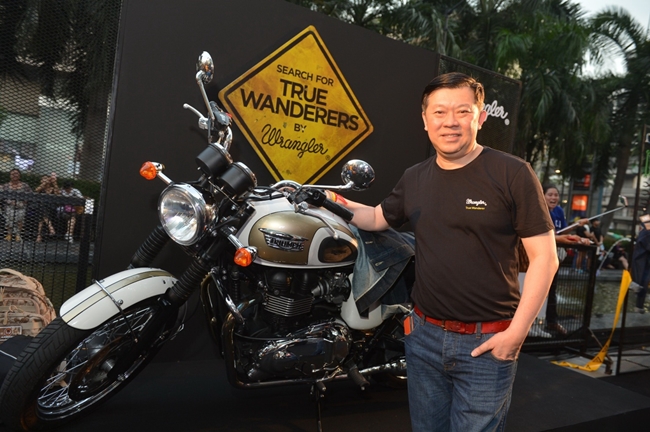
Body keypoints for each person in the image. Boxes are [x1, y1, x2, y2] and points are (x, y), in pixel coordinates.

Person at [338, 73, 559, 431]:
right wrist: (333, 201)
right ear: (425, 120)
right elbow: (377, 218)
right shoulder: (415, 177)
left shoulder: (513, 173)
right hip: (423, 338)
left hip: (488, 343)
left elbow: (545, 259)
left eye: (462, 111)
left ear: (480, 117)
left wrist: (516, 334)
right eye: (439, 112)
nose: (450, 122)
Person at [541, 185, 591, 336]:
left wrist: (576, 226)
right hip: (539, 256)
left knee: (552, 289)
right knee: (539, 288)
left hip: (554, 256)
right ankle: (534, 322)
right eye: (550, 194)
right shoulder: (538, 210)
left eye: (556, 195)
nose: (553, 198)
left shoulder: (559, 211)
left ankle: (551, 321)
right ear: (542, 195)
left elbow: (562, 232)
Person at [0, 168, 33, 242]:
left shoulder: (25, 185)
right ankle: (9, 234)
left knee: (20, 220)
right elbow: (2, 196)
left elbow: (31, 195)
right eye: (12, 174)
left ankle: (18, 235)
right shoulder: (6, 186)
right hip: (9, 206)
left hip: (21, 206)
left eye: (16, 173)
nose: (14, 175)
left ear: (19, 175)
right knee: (9, 220)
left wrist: (25, 201)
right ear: (10, 176)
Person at [629, 215, 650, 314]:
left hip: (642, 255)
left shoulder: (646, 225)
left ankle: (639, 305)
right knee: (643, 278)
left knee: (643, 278)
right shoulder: (647, 228)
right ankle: (639, 305)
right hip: (643, 256)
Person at [34, 173, 59, 242]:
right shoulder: (41, 188)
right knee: (42, 209)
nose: (45, 180)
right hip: (41, 207)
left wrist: (54, 183)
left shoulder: (52, 188)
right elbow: (36, 190)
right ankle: (50, 228)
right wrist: (44, 184)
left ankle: (39, 235)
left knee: (42, 211)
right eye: (43, 179)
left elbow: (57, 194)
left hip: (51, 207)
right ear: (41, 181)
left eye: (46, 178)